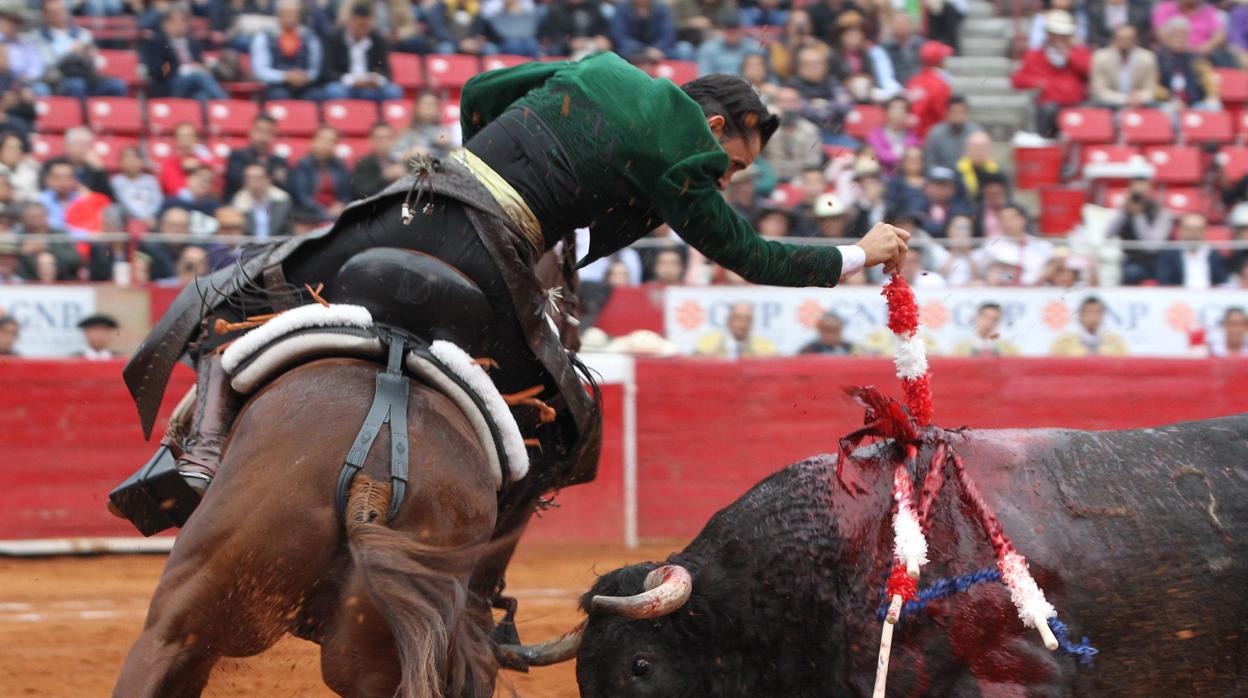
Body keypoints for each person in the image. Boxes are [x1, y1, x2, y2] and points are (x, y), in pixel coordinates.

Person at [117, 57, 909, 596]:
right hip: (487, 249)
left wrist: (505, 161)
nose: (731, 178)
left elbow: (484, 90)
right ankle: (475, 588)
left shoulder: (599, 67)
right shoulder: (686, 152)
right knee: (568, 423)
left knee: (256, 292)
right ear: (718, 124)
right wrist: (858, 252)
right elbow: (747, 252)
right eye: (736, 163)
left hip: (414, 200)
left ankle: (194, 456)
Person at [1012, 10, 1092, 136]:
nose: (1059, 38)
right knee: (1048, 111)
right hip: (1049, 108)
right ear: (1048, 34)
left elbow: (1090, 71)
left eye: (1064, 34)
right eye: (1056, 34)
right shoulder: (1034, 55)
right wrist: (1036, 82)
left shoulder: (1080, 52)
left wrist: (1070, 57)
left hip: (1077, 104)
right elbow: (1017, 80)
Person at [32, 0, 127, 98]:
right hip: (60, 79)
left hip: (87, 76)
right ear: (44, 15)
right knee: (77, 85)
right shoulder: (38, 37)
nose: (57, 15)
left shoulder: (83, 34)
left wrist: (90, 57)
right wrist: (71, 53)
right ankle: (76, 113)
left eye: (60, 11)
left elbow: (97, 62)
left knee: (117, 85)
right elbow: (48, 64)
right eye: (52, 13)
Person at [141, 6, 227, 101]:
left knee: (202, 96)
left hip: (192, 88)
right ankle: (228, 105)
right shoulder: (156, 43)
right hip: (169, 84)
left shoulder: (192, 43)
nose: (179, 25)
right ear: (165, 24)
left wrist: (203, 67)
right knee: (199, 76)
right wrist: (183, 68)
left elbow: (200, 63)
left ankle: (230, 111)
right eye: (175, 22)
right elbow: (160, 71)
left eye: (183, 21)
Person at [322, 2, 403, 102]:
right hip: (346, 87)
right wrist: (351, 80)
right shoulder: (335, 38)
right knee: (334, 91)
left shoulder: (378, 40)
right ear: (350, 21)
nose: (362, 29)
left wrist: (377, 80)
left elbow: (387, 73)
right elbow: (327, 72)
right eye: (359, 25)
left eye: (366, 26)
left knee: (393, 91)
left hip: (371, 88)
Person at [251, 0, 327, 101]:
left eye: (293, 15)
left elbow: (315, 69)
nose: (290, 19)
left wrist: (305, 77)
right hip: (276, 86)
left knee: (318, 95)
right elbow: (260, 71)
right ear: (278, 16)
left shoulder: (310, 37)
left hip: (305, 85)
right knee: (279, 95)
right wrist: (285, 77)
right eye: (286, 15)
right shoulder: (264, 37)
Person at [1105, 177, 1170, 284]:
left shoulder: (1161, 213)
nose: (1139, 197)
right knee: (1131, 272)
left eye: (1143, 193)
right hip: (1131, 260)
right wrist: (1123, 212)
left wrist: (1138, 216)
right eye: (1136, 193)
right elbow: (1107, 234)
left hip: (1157, 260)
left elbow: (1152, 247)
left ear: (1150, 193)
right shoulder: (1125, 211)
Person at [972, 203, 1054, 285]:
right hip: (1005, 292)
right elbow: (988, 274)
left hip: (1039, 292)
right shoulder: (992, 244)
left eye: (1012, 218)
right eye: (1003, 219)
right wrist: (1010, 276)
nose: (1008, 223)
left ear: (1023, 219)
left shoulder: (1042, 245)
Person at [760, 86, 824, 181]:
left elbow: (813, 161)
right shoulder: (765, 128)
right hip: (771, 179)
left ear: (799, 104)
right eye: (783, 101)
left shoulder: (810, 130)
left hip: (800, 180)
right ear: (776, 104)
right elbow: (758, 158)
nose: (788, 106)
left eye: (793, 101)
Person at [288, 125, 351, 221]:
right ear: (314, 141)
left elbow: (346, 195)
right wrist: (325, 211)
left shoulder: (339, 166)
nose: (325, 145)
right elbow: (302, 198)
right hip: (310, 217)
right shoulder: (303, 164)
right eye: (322, 140)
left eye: (331, 141)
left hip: (335, 216)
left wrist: (340, 205)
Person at [1090, 25, 1159, 108]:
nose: (1125, 42)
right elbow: (1099, 90)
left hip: (1140, 103)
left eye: (1129, 39)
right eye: (1120, 38)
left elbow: (1151, 89)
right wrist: (1124, 99)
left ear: (1136, 40)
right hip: (1109, 104)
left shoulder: (1147, 58)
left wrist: (1140, 97)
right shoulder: (1100, 57)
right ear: (1114, 40)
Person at [224, 115, 289, 200]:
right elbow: (236, 180)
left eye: (269, 132)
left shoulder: (279, 161)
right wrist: (271, 175)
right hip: (241, 204)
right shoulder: (237, 156)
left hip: (271, 205)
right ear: (251, 132)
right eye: (260, 131)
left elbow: (286, 185)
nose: (263, 137)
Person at [1156, 213, 1229, 288]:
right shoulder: (1169, 253)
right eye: (1189, 229)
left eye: (1198, 229)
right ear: (1181, 230)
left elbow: (1222, 281)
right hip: (1178, 297)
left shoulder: (1214, 254)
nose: (1193, 234)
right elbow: (1164, 282)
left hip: (1210, 297)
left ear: (1204, 231)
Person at [1155, 16, 1214, 106]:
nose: (1179, 38)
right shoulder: (1158, 58)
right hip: (1167, 102)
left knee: (1213, 106)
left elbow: (1208, 79)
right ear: (1167, 37)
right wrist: (1169, 97)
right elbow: (1153, 85)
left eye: (1183, 34)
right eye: (1175, 34)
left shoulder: (1196, 58)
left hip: (1193, 102)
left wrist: (1212, 96)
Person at [231, 162, 293, 239]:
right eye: (250, 178)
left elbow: (286, 229)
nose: (255, 182)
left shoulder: (282, 199)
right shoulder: (238, 201)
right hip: (248, 247)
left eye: (258, 178)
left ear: (268, 179)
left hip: (277, 245)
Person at [1050, 296, 1128, 357]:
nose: (1093, 316)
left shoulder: (1116, 343)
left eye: (1097, 312)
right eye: (1089, 311)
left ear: (1102, 315)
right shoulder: (1064, 343)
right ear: (1080, 315)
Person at [906, 41, 954, 139]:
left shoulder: (913, 80)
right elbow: (943, 115)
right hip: (931, 138)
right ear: (940, 61)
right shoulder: (941, 85)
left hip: (910, 137)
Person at [923, 95, 982, 173]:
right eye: (954, 111)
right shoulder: (935, 134)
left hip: (970, 176)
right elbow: (930, 163)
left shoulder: (975, 133)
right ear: (947, 112)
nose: (958, 115)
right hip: (942, 178)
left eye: (962, 111)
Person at [696, 301, 778, 357]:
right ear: (729, 320)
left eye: (747, 319)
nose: (743, 324)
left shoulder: (762, 343)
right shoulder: (711, 340)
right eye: (738, 318)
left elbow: (777, 359)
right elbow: (696, 358)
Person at [392, 91, 455, 161]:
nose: (429, 107)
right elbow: (394, 155)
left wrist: (449, 144)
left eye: (432, 104)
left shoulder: (445, 131)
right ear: (416, 108)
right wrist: (410, 153)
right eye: (424, 104)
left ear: (438, 110)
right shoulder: (407, 132)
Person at [159, 122, 218, 197]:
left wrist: (199, 164)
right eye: (182, 136)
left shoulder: (204, 159)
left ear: (195, 138)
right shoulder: (169, 163)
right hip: (179, 202)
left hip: (204, 199)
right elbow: (173, 188)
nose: (186, 139)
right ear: (175, 139)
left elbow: (214, 184)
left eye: (189, 136)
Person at [110, 146, 163, 229]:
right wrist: (142, 217)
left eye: (135, 157)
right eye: (127, 158)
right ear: (120, 162)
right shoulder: (116, 181)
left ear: (142, 162)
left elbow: (158, 200)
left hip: (152, 217)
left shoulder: (151, 180)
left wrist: (151, 215)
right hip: (129, 218)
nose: (131, 161)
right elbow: (124, 202)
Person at [611, 0, 681, 62]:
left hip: (659, 51)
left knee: (684, 49)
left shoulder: (662, 7)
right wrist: (644, 50)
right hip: (633, 51)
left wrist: (657, 49)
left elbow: (668, 35)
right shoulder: (622, 8)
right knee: (621, 53)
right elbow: (619, 36)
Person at [697, 11, 763, 77]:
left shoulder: (754, 48)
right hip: (718, 85)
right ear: (722, 29)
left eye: (735, 28)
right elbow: (704, 76)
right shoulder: (708, 49)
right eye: (728, 28)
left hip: (747, 85)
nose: (732, 32)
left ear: (742, 28)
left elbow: (767, 76)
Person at [351, 123, 406, 199]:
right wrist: (385, 178)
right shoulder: (363, 163)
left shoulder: (398, 162)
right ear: (371, 140)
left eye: (387, 138)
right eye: (378, 138)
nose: (383, 142)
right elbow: (361, 192)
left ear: (394, 140)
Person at [538, 0, 611, 57]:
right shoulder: (556, 9)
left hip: (592, 44)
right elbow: (555, 36)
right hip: (568, 48)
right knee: (556, 49)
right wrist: (569, 44)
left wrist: (603, 38)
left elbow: (603, 29)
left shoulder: (594, 6)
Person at [867, 97, 920, 174]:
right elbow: (872, 157)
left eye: (902, 109)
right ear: (886, 112)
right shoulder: (875, 135)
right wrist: (900, 158)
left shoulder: (913, 137)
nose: (898, 112)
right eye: (894, 109)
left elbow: (914, 157)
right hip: (880, 177)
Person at [951, 302, 1020, 357]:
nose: (989, 322)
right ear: (977, 318)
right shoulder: (960, 349)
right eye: (986, 317)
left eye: (995, 319)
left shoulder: (1008, 349)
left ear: (998, 323)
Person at [37, 157, 81, 231]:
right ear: (48, 179)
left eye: (67, 177)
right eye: (57, 177)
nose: (63, 181)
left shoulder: (81, 199)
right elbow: (50, 226)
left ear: (74, 180)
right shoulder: (40, 201)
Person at [0, 131, 38, 202]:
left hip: (21, 209)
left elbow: (34, 196)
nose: (14, 151)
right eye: (11, 147)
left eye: (18, 148)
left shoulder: (29, 171)